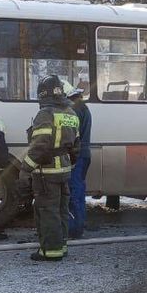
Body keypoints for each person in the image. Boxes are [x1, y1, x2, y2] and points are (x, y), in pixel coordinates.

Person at [20, 75, 80, 261]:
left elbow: (40, 146)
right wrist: (68, 164)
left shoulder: (45, 114)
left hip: (47, 173)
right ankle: (61, 246)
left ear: (43, 94)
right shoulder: (71, 113)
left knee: (48, 211)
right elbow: (76, 146)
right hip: (64, 171)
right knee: (62, 210)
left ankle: (51, 251)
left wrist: (25, 169)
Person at [66, 81, 91, 238]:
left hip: (77, 156)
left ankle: (74, 229)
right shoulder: (83, 108)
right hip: (84, 154)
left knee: (74, 192)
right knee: (79, 192)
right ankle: (78, 225)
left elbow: (71, 136)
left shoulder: (74, 110)